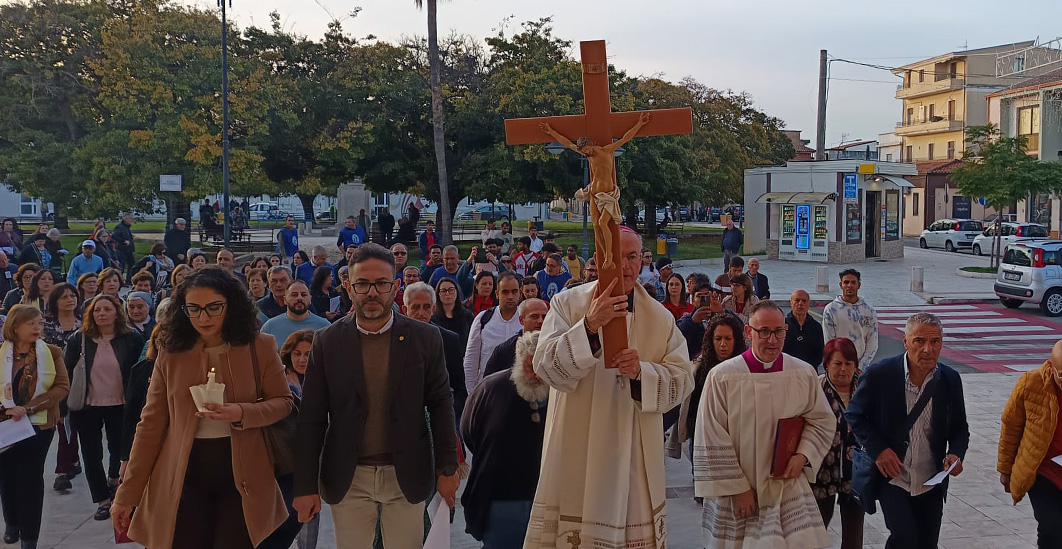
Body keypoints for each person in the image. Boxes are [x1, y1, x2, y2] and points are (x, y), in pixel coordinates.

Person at [524, 227, 693, 548]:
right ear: (601, 261)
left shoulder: (660, 318)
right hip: (579, 446)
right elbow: (544, 365)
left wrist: (642, 373)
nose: (626, 266)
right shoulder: (567, 304)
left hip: (632, 453)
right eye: (617, 258)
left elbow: (683, 378)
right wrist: (588, 326)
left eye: (633, 257)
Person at [110, 266, 294, 549]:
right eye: (193, 309)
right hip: (184, 474)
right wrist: (127, 494)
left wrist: (242, 412)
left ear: (231, 305)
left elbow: (283, 402)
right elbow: (151, 424)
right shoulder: (171, 354)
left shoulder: (261, 346)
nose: (203, 318)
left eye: (213, 307)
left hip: (243, 474)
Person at [292, 243, 459, 548]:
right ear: (348, 287)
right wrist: (304, 486)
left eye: (381, 283)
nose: (372, 292)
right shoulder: (327, 342)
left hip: (406, 472)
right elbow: (312, 419)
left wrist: (447, 469)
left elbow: (440, 404)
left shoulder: (425, 338)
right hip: (348, 475)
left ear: (395, 286)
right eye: (362, 284)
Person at [693, 300, 836, 548]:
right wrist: (737, 489)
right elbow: (710, 434)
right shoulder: (724, 376)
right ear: (749, 332)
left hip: (785, 486)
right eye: (764, 332)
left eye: (779, 331)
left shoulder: (802, 373)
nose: (773, 340)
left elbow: (821, 420)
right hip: (738, 492)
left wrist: (803, 455)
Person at [846, 312, 969, 549]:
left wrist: (956, 453)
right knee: (904, 538)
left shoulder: (950, 380)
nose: (927, 349)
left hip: (931, 479)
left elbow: (959, 428)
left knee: (927, 543)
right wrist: (879, 450)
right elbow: (855, 415)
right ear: (905, 341)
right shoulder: (881, 374)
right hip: (893, 477)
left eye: (935, 342)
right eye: (919, 341)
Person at [461, 331, 549, 547]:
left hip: (548, 497)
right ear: (519, 360)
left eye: (542, 368)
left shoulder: (562, 391)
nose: (536, 376)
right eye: (531, 367)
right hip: (500, 499)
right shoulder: (490, 389)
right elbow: (469, 432)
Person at [64, 294, 144, 520]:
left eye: (106, 309)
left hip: (121, 404)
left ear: (117, 312)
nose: (101, 314)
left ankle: (113, 481)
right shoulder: (78, 339)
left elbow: (139, 371)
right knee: (91, 453)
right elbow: (67, 372)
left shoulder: (131, 338)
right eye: (97, 310)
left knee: (119, 449)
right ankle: (102, 499)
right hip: (87, 406)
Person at [0, 305, 70, 549]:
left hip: (39, 425)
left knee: (29, 479)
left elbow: (62, 387)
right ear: (15, 326)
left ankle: (30, 538)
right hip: (5, 426)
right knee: (7, 476)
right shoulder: (1, 353)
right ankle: (12, 521)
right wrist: (6, 409)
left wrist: (28, 408)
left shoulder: (51, 352)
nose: (37, 328)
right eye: (31, 323)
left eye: (39, 323)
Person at [998, 340, 1062, 548]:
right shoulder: (1031, 383)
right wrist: (1006, 470)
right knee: (1051, 527)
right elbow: (1011, 426)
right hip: (1044, 470)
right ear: (1051, 368)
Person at [669, 313, 746, 463]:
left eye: (728, 339)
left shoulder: (744, 369)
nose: (723, 344)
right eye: (718, 339)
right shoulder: (698, 367)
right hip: (701, 435)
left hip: (734, 437)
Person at [812, 338, 864, 549]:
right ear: (826, 364)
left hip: (856, 472)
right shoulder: (815, 387)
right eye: (837, 364)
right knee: (815, 530)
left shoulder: (866, 389)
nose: (843, 370)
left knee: (853, 533)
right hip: (822, 471)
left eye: (849, 364)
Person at [278, 329, 321, 549]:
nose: (303, 359)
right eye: (297, 354)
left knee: (309, 519)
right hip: (287, 462)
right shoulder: (278, 380)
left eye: (308, 353)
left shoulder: (324, 378)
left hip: (315, 460)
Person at [403, 282, 468, 423]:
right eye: (415, 307)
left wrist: (449, 413)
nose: (421, 313)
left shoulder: (449, 339)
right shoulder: (394, 339)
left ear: (433, 308)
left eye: (426, 307)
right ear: (404, 309)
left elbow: (459, 388)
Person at [42, 283, 83, 493]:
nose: (70, 299)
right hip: (57, 381)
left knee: (74, 425)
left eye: (73, 295)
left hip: (83, 381)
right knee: (64, 423)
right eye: (65, 296)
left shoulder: (85, 322)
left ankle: (73, 461)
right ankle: (61, 471)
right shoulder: (46, 324)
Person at [463, 272, 522, 394]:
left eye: (514, 292)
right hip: (489, 390)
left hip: (520, 390)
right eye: (505, 292)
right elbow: (471, 360)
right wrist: (472, 393)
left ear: (520, 293)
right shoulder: (483, 319)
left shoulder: (526, 319)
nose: (510, 296)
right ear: (497, 294)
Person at [824, 269, 879, 370]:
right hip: (838, 366)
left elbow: (872, 342)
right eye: (846, 282)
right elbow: (829, 341)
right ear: (841, 285)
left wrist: (861, 366)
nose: (850, 285)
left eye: (853, 282)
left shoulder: (869, 311)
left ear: (859, 285)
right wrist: (839, 363)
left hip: (861, 369)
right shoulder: (831, 309)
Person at [481, 297, 547, 379]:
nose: (541, 321)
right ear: (521, 320)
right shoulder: (504, 351)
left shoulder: (553, 348)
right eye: (534, 317)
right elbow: (488, 385)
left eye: (544, 317)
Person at [261, 280, 330, 350]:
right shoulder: (270, 327)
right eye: (294, 295)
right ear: (285, 300)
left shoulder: (324, 327)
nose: (299, 298)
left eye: (303, 294)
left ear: (310, 299)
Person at [677, 283, 724, 359]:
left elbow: (738, 327)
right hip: (694, 362)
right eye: (699, 296)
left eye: (706, 295)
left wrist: (721, 311)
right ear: (693, 300)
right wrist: (692, 322)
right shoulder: (687, 319)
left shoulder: (720, 315)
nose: (703, 299)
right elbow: (677, 337)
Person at [784, 289, 825, 370]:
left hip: (809, 372)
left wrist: (807, 368)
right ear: (791, 302)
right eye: (797, 300)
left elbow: (819, 354)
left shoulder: (816, 327)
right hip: (787, 371)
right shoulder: (782, 325)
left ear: (809, 304)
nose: (800, 304)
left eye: (804, 301)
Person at [432, 278, 474, 351]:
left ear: (456, 292)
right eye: (443, 291)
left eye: (451, 290)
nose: (447, 294)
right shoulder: (433, 319)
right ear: (438, 294)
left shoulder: (467, 315)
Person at [112, 213, 136, 279]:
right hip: (122, 249)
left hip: (128, 250)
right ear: (125, 219)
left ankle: (129, 279)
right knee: (121, 265)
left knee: (131, 264)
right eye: (130, 218)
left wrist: (131, 237)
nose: (132, 220)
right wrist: (123, 241)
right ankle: (120, 279)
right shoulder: (119, 227)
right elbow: (115, 236)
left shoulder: (127, 227)